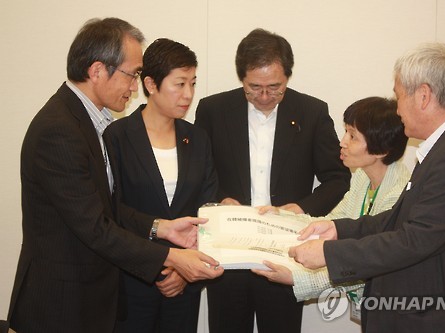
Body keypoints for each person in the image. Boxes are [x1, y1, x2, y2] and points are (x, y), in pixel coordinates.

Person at [7, 18, 222, 333]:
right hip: (60, 305)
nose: (136, 87)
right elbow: (95, 228)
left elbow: (106, 208)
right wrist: (172, 258)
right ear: (97, 71)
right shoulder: (59, 130)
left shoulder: (91, 122)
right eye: (132, 74)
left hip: (89, 300)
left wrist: (161, 228)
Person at [289, 43, 445, 333]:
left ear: (423, 95)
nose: (397, 107)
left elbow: (415, 240)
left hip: (442, 317)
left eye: (399, 95)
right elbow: (401, 219)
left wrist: (330, 254)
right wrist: (339, 230)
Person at [194, 28, 351, 333]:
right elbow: (199, 174)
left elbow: (337, 178)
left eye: (274, 87)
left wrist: (301, 208)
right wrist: (220, 200)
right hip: (228, 253)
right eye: (254, 88)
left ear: (288, 78)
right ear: (242, 78)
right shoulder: (213, 111)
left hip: (285, 256)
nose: (264, 96)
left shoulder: (312, 112)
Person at [104, 38, 217, 333]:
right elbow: (113, 211)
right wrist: (159, 267)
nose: (188, 94)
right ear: (151, 84)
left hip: (185, 285)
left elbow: (208, 207)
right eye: (179, 84)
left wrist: (183, 269)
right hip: (132, 282)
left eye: (192, 83)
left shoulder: (198, 139)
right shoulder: (116, 137)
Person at [253, 97, 410, 308]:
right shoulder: (364, 178)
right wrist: (282, 217)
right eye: (346, 131)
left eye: (353, 136)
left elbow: (363, 264)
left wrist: (297, 279)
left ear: (381, 150)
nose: (342, 142)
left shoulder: (397, 195)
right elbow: (332, 224)